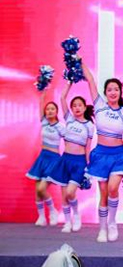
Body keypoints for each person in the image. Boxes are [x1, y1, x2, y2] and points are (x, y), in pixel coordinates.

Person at [82, 62, 123, 242]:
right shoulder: (99, 105)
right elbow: (90, 80)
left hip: (119, 156)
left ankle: (112, 223)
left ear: (120, 93)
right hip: (100, 155)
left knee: (113, 188)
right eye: (110, 89)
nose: (113, 92)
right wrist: (79, 60)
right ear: (105, 93)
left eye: (116, 89)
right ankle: (102, 229)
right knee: (104, 193)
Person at [46, 82, 95, 233]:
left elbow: (88, 147)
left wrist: (88, 167)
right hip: (65, 160)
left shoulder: (89, 125)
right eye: (74, 106)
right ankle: (67, 222)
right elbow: (62, 98)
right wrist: (69, 82)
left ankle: (77, 216)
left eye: (80, 105)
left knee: (70, 192)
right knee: (64, 195)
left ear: (84, 107)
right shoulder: (69, 119)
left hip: (79, 162)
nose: (77, 108)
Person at [26, 89, 64, 227]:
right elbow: (40, 102)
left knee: (42, 188)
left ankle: (53, 211)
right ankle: (41, 217)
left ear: (56, 111)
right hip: (42, 158)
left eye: (52, 109)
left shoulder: (60, 127)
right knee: (38, 191)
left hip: (54, 160)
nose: (49, 111)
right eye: (47, 109)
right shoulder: (44, 122)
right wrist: (43, 91)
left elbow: (69, 141)